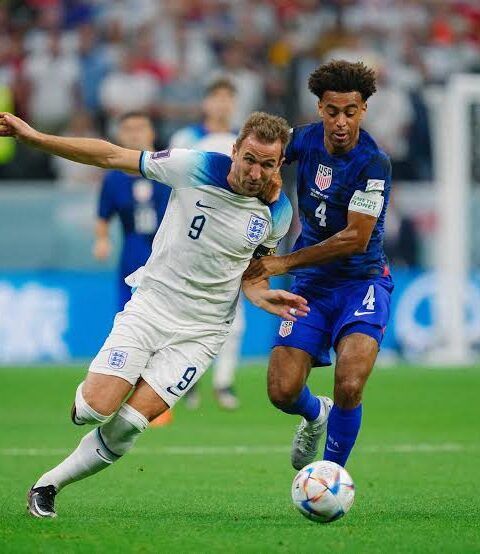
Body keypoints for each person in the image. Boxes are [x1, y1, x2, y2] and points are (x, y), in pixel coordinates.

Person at [0, 109, 309, 518]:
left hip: (201, 334)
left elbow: (252, 275)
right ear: (235, 150)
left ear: (278, 165)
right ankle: (96, 396)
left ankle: (47, 485)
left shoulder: (278, 214)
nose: (255, 172)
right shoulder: (193, 166)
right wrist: (36, 138)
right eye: (249, 158)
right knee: (93, 410)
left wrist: (262, 296)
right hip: (151, 307)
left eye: (267, 165)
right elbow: (112, 157)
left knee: (130, 424)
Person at [243, 60, 393, 470]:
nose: (340, 122)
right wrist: (263, 186)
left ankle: (330, 474)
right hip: (310, 286)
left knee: (349, 382)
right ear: (320, 109)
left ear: (363, 110)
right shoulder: (304, 140)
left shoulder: (373, 163)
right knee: (281, 392)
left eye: (350, 111)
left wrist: (282, 261)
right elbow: (262, 159)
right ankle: (315, 415)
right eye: (332, 111)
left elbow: (355, 237)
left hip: (360, 284)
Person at [169, 78, 243, 410]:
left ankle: (224, 383)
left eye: (229, 98)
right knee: (184, 315)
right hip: (191, 237)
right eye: (217, 97)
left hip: (231, 240)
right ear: (206, 103)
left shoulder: (244, 140)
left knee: (234, 317)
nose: (223, 104)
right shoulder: (187, 139)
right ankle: (189, 380)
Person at [94, 111, 171, 312]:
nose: (134, 135)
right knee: (129, 315)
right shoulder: (113, 179)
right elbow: (103, 215)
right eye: (128, 130)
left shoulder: (170, 169)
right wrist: (102, 240)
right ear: (119, 136)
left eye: (140, 128)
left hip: (170, 254)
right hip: (132, 254)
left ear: (152, 133)